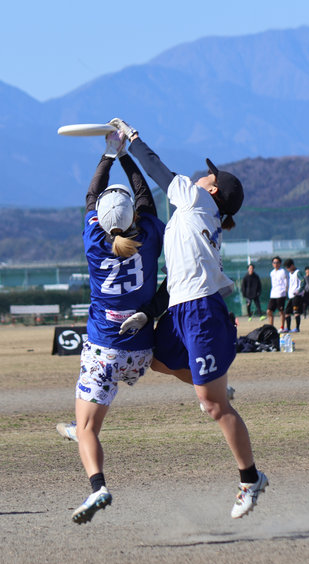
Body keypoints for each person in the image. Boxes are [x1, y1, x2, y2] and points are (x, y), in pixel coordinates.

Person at [111, 117, 268, 521]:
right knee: (156, 359)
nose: (202, 175)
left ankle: (250, 479)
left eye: (208, 175)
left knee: (213, 407)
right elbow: (177, 278)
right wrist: (148, 312)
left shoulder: (197, 200)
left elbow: (158, 170)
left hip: (201, 313)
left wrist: (132, 140)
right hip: (182, 307)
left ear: (212, 189)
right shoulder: (194, 213)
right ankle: (214, 387)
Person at [59, 131, 164, 525]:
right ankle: (212, 385)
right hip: (142, 351)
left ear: (100, 221)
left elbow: (91, 195)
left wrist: (107, 152)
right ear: (134, 215)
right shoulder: (149, 235)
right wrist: (124, 155)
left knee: (86, 428)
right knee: (91, 418)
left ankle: (97, 486)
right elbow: (144, 195)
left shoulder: (94, 242)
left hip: (104, 351)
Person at [267, 256, 288, 330]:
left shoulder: (283, 271)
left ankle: (282, 327)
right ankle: (271, 328)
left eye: (277, 262)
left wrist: (285, 292)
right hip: (273, 294)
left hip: (281, 294)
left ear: (280, 263)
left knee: (281, 311)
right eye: (274, 262)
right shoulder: (272, 273)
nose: (275, 264)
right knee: (269, 311)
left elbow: (286, 283)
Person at [284, 259, 302, 333]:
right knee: (287, 312)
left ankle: (297, 328)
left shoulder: (298, 272)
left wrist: (299, 290)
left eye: (288, 267)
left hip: (297, 296)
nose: (288, 269)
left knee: (296, 312)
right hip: (291, 296)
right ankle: (288, 328)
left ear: (292, 265)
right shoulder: (290, 274)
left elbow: (303, 282)